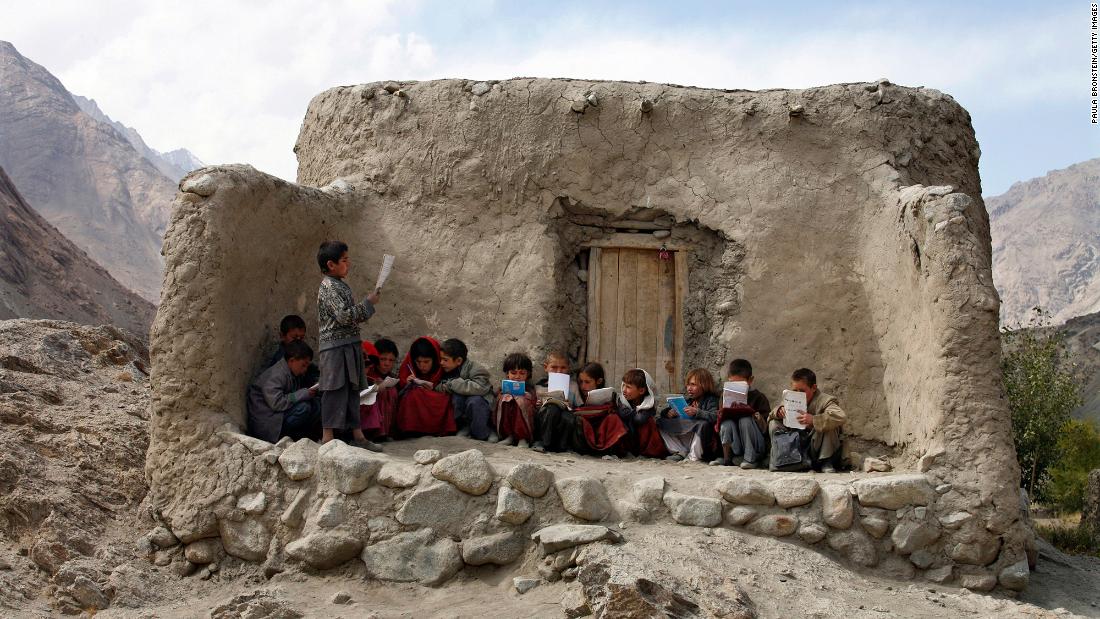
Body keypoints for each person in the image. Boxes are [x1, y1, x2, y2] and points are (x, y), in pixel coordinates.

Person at [316, 240, 382, 450]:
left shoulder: (340, 285)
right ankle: (327, 437)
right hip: (335, 348)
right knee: (333, 388)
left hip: (348, 344)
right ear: (331, 264)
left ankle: (358, 435)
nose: (349, 264)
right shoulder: (328, 287)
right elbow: (344, 317)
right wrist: (368, 304)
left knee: (353, 388)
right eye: (344, 260)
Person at [769, 368, 847, 473]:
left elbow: (840, 416)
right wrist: (778, 412)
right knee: (773, 423)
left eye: (802, 391)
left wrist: (814, 420)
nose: (797, 394)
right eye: (795, 391)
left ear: (813, 388)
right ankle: (782, 459)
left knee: (831, 424)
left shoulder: (825, 400)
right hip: (795, 445)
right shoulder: (790, 398)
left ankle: (826, 461)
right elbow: (771, 415)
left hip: (816, 446)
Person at [247, 339, 320, 443]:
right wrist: (302, 394)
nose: (305, 370)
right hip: (267, 425)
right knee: (303, 408)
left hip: (278, 416)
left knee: (315, 405)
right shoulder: (276, 375)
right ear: (291, 361)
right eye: (303, 365)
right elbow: (277, 403)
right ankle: (289, 438)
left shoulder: (291, 372)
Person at [711, 358, 771, 468]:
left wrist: (754, 415)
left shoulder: (759, 398)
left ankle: (750, 459)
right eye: (733, 383)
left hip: (755, 445)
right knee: (725, 423)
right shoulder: (724, 396)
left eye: (741, 384)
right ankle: (727, 459)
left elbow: (765, 428)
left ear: (750, 380)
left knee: (745, 420)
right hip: (736, 444)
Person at [435, 338, 495, 440]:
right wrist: (446, 386)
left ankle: (485, 431)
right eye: (441, 359)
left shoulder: (477, 369)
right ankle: (464, 427)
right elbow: (439, 386)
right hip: (463, 406)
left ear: (458, 361)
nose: (441, 363)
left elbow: (480, 388)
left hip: (480, 403)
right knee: (456, 398)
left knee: (474, 401)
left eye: (445, 360)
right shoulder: (445, 370)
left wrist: (454, 384)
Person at [395, 336, 456, 435]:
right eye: (418, 362)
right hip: (416, 405)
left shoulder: (443, 368)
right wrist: (407, 384)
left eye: (426, 362)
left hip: (437, 404)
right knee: (413, 394)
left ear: (435, 359)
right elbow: (400, 392)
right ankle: (412, 430)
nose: (422, 366)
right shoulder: (408, 367)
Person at [658, 368, 719, 463]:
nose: (689, 388)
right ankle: (680, 451)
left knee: (703, 424)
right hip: (687, 438)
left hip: (703, 442)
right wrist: (669, 413)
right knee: (660, 422)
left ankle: (694, 456)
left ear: (704, 385)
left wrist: (697, 412)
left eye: (693, 385)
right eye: (688, 385)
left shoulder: (711, 400)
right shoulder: (688, 401)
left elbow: (716, 416)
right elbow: (663, 413)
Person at [571, 362, 629, 456]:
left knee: (613, 418)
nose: (583, 386)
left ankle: (609, 451)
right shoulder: (576, 393)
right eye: (580, 382)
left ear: (599, 381)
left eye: (587, 382)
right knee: (577, 420)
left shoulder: (607, 395)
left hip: (601, 427)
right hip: (584, 431)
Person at [533, 351, 582, 453]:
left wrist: (570, 406)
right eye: (554, 367)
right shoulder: (539, 387)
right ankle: (544, 443)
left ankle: (562, 446)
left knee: (567, 416)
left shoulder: (573, 386)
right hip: (545, 418)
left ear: (568, 368)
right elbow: (533, 409)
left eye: (563, 368)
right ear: (546, 367)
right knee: (552, 409)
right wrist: (538, 405)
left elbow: (580, 407)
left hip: (565, 417)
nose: (559, 371)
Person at [617, 368, 667, 458]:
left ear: (641, 391)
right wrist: (635, 412)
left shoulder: (648, 404)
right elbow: (623, 414)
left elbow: (639, 419)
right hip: (630, 438)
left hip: (643, 442)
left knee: (649, 422)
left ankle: (648, 453)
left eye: (628, 387)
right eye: (623, 385)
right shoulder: (622, 401)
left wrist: (631, 413)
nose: (624, 390)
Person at [493, 352, 538, 447]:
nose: (517, 377)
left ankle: (523, 438)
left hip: (523, 420)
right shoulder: (502, 389)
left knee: (521, 401)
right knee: (505, 399)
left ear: (528, 374)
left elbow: (533, 402)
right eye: (513, 373)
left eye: (522, 373)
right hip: (507, 416)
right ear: (507, 374)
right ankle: (509, 436)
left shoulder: (530, 389)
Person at [265, 314, 320, 387]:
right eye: (294, 337)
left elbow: (312, 370)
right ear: (282, 336)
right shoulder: (280, 359)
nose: (299, 341)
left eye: (302, 338)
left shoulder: (302, 353)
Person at [365, 337, 400, 441]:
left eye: (391, 360)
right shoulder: (368, 373)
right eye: (383, 359)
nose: (387, 364)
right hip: (367, 417)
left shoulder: (392, 376)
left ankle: (387, 432)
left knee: (392, 391)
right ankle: (376, 432)